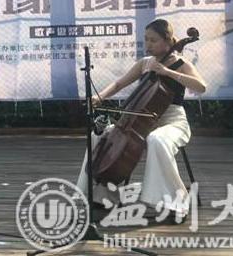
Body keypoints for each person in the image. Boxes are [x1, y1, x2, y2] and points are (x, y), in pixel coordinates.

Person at [76, 19, 206, 224]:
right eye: (146, 39)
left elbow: (201, 87)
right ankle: (102, 195)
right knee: (98, 136)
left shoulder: (181, 64)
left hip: (173, 121)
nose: (148, 44)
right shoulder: (145, 63)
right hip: (140, 121)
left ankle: (175, 201)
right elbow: (118, 84)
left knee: (157, 140)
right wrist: (98, 98)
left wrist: (168, 72)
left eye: (153, 40)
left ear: (168, 41)